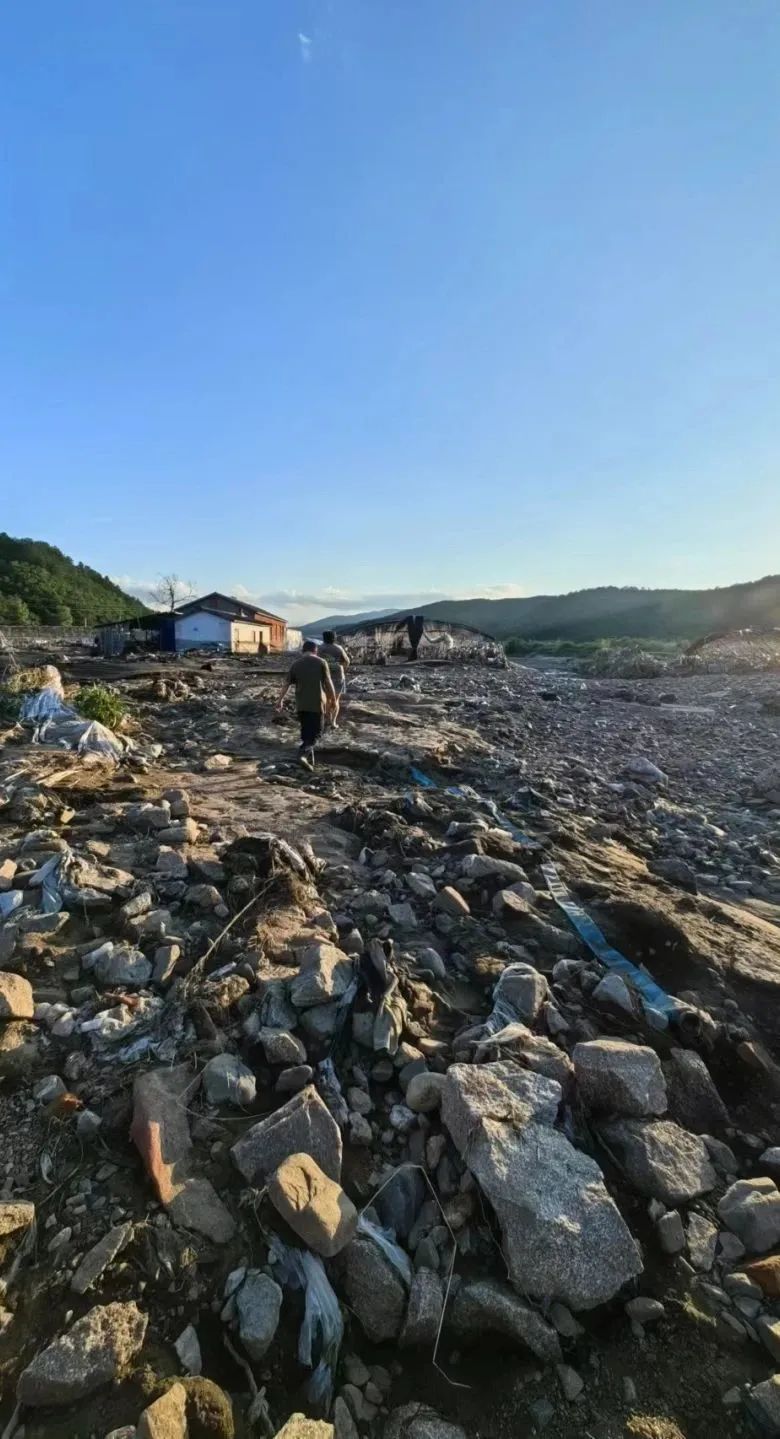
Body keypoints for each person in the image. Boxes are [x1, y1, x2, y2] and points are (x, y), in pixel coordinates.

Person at [277, 640, 335, 770]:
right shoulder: (321, 662)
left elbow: (286, 684)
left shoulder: (295, 664)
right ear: (316, 650)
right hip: (317, 704)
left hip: (301, 705)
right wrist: (333, 700)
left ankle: (309, 761)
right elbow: (328, 682)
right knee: (316, 734)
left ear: (303, 651)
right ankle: (302, 756)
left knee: (306, 733)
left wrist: (280, 700)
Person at [318, 630, 350, 728]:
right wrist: (342, 668)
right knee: (336, 700)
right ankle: (333, 722)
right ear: (334, 637)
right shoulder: (339, 648)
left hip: (325, 676)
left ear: (324, 638)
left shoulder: (320, 648)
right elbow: (347, 661)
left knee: (327, 699)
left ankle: (327, 720)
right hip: (338, 676)